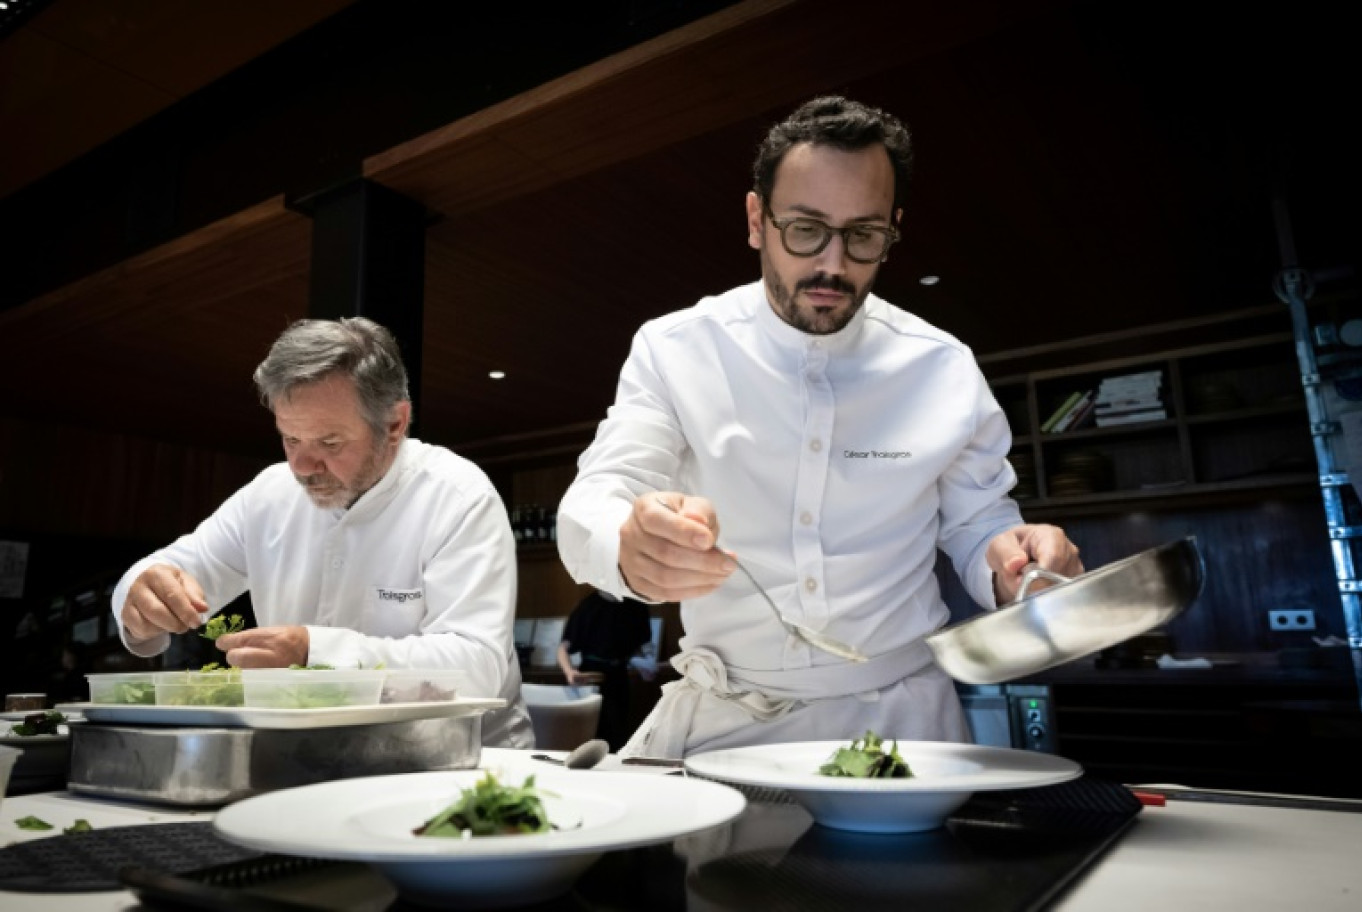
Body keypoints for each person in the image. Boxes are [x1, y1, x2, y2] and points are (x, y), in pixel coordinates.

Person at [556, 95, 1083, 759]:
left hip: (905, 726)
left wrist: (1013, 563)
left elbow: (980, 525)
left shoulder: (942, 366)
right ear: (756, 219)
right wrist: (626, 548)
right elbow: (598, 496)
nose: (833, 265)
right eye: (805, 229)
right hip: (730, 723)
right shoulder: (676, 349)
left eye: (863, 236)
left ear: (893, 227)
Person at [111, 317, 533, 747]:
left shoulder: (458, 497)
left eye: (329, 444)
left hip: (462, 762)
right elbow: (177, 567)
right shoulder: (268, 495)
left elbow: (477, 669)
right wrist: (142, 596)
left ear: (394, 424)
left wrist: (316, 653)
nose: (302, 468)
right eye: (290, 439)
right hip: (309, 756)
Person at [556, 589, 654, 751]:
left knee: (618, 733)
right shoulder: (588, 606)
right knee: (590, 734)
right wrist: (569, 672)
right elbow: (563, 648)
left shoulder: (636, 606)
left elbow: (644, 643)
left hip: (619, 677)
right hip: (590, 677)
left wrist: (648, 662)